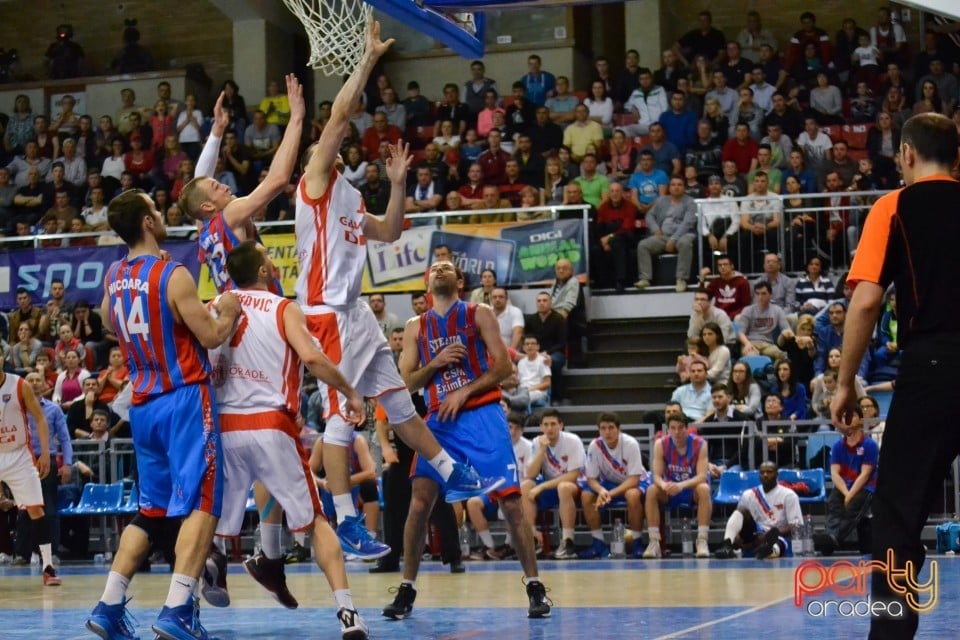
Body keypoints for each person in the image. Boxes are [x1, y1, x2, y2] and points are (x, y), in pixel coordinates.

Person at [293, 20, 503, 563]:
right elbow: (339, 116)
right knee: (343, 419)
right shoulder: (313, 183)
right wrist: (366, 61)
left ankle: (455, 475)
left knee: (398, 401)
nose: (334, 142)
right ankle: (344, 520)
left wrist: (399, 183)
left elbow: (388, 232)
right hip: (325, 316)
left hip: (356, 314)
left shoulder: (346, 194)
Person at [84, 188, 242, 640]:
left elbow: (110, 320)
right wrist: (228, 310)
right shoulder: (173, 275)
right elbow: (211, 336)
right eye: (155, 207)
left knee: (151, 510)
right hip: (185, 399)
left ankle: (109, 603)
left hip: (144, 405)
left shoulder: (114, 276)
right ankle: (177, 609)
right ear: (148, 223)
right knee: (203, 502)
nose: (160, 210)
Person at [831, 113, 960, 638]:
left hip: (931, 368)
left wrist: (845, 383)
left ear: (906, 154)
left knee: (897, 521)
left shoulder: (893, 206)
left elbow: (864, 303)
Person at [204, 241, 369, 637]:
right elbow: (312, 359)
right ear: (263, 271)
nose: (274, 264)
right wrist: (349, 391)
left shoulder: (215, 307)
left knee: (206, 522)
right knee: (315, 521)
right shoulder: (283, 307)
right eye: (268, 259)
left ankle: (187, 601)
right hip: (270, 423)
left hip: (225, 426)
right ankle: (347, 614)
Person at [384, 260, 548, 620]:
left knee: (512, 503)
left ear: (459, 281)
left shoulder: (479, 313)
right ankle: (407, 589)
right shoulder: (415, 327)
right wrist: (437, 363)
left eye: (447, 267)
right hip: (439, 420)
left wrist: (466, 391)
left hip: (482, 415)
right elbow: (407, 382)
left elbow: (504, 367)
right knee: (419, 503)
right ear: (428, 281)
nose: (439, 269)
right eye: (434, 267)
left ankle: (535, 586)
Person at [0, 368, 58, 585]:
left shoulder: (19, 384)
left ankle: (48, 567)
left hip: (19, 455)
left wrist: (44, 452)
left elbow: (40, 418)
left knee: (35, 509)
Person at [579, 412, 650, 559]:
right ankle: (598, 543)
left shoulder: (631, 444)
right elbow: (591, 479)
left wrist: (609, 494)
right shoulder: (595, 445)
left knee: (632, 495)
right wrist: (602, 491)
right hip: (608, 483)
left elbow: (634, 480)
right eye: (603, 428)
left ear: (619, 429)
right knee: (586, 495)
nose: (607, 432)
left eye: (611, 427)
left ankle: (637, 542)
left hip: (634, 480)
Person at [643, 414, 712, 558]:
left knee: (704, 488)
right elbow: (656, 476)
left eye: (681, 428)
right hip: (670, 490)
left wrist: (681, 485)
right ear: (668, 430)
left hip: (690, 489)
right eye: (673, 428)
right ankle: (654, 542)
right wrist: (664, 485)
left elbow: (702, 476)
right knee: (651, 490)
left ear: (687, 429)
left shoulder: (700, 444)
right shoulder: (660, 444)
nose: (677, 432)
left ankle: (702, 541)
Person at [521, 408, 585, 561]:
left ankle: (568, 542)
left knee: (563, 487)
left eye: (553, 424)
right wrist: (542, 450)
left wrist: (542, 486)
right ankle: (533, 539)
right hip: (551, 486)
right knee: (525, 486)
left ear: (561, 425)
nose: (549, 428)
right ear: (541, 427)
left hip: (576, 486)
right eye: (546, 425)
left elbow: (573, 475)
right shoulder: (537, 442)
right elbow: (530, 474)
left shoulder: (573, 440)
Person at [715, 461, 803, 559]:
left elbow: (795, 526)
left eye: (769, 472)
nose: (765, 475)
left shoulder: (789, 495)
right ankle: (727, 545)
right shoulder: (749, 494)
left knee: (778, 543)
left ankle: (768, 551)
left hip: (776, 535)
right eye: (762, 472)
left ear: (777, 474)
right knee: (741, 511)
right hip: (753, 535)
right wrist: (737, 537)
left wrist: (767, 536)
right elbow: (738, 519)